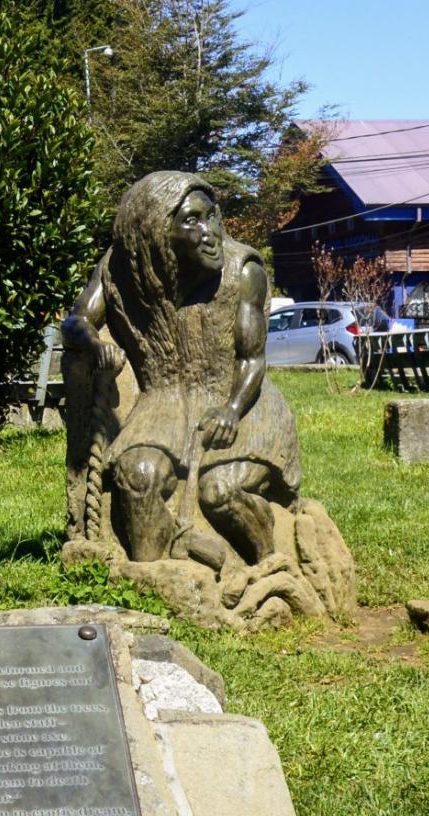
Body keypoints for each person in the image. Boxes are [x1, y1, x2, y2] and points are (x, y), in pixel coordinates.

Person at [62, 171, 300, 572]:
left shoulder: (243, 272)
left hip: (239, 404)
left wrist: (232, 409)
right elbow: (76, 321)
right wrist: (94, 344)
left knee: (220, 492)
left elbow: (251, 359)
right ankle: (150, 576)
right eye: (191, 220)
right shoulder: (120, 268)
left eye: (211, 216)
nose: (210, 233)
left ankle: (270, 566)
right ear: (155, 232)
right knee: (140, 476)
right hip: (162, 406)